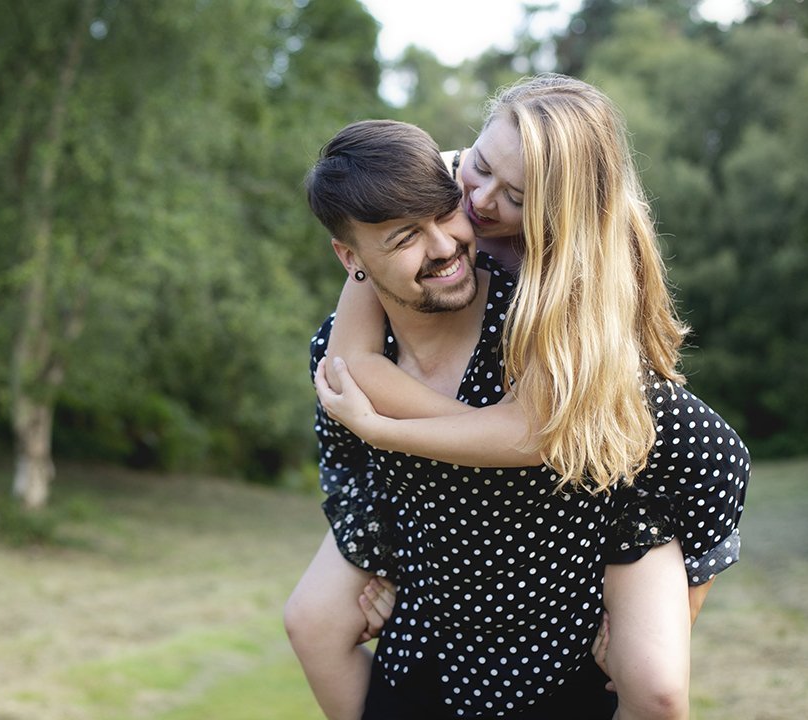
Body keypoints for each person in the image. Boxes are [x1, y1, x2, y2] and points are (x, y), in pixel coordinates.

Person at [287, 75, 749, 719]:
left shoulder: (569, 289)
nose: (478, 201)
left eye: (514, 196)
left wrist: (386, 430)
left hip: (637, 476)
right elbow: (352, 358)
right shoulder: (443, 187)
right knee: (309, 619)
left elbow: (534, 434)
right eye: (477, 168)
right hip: (493, 513)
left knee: (652, 682)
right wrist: (387, 555)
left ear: (558, 212)